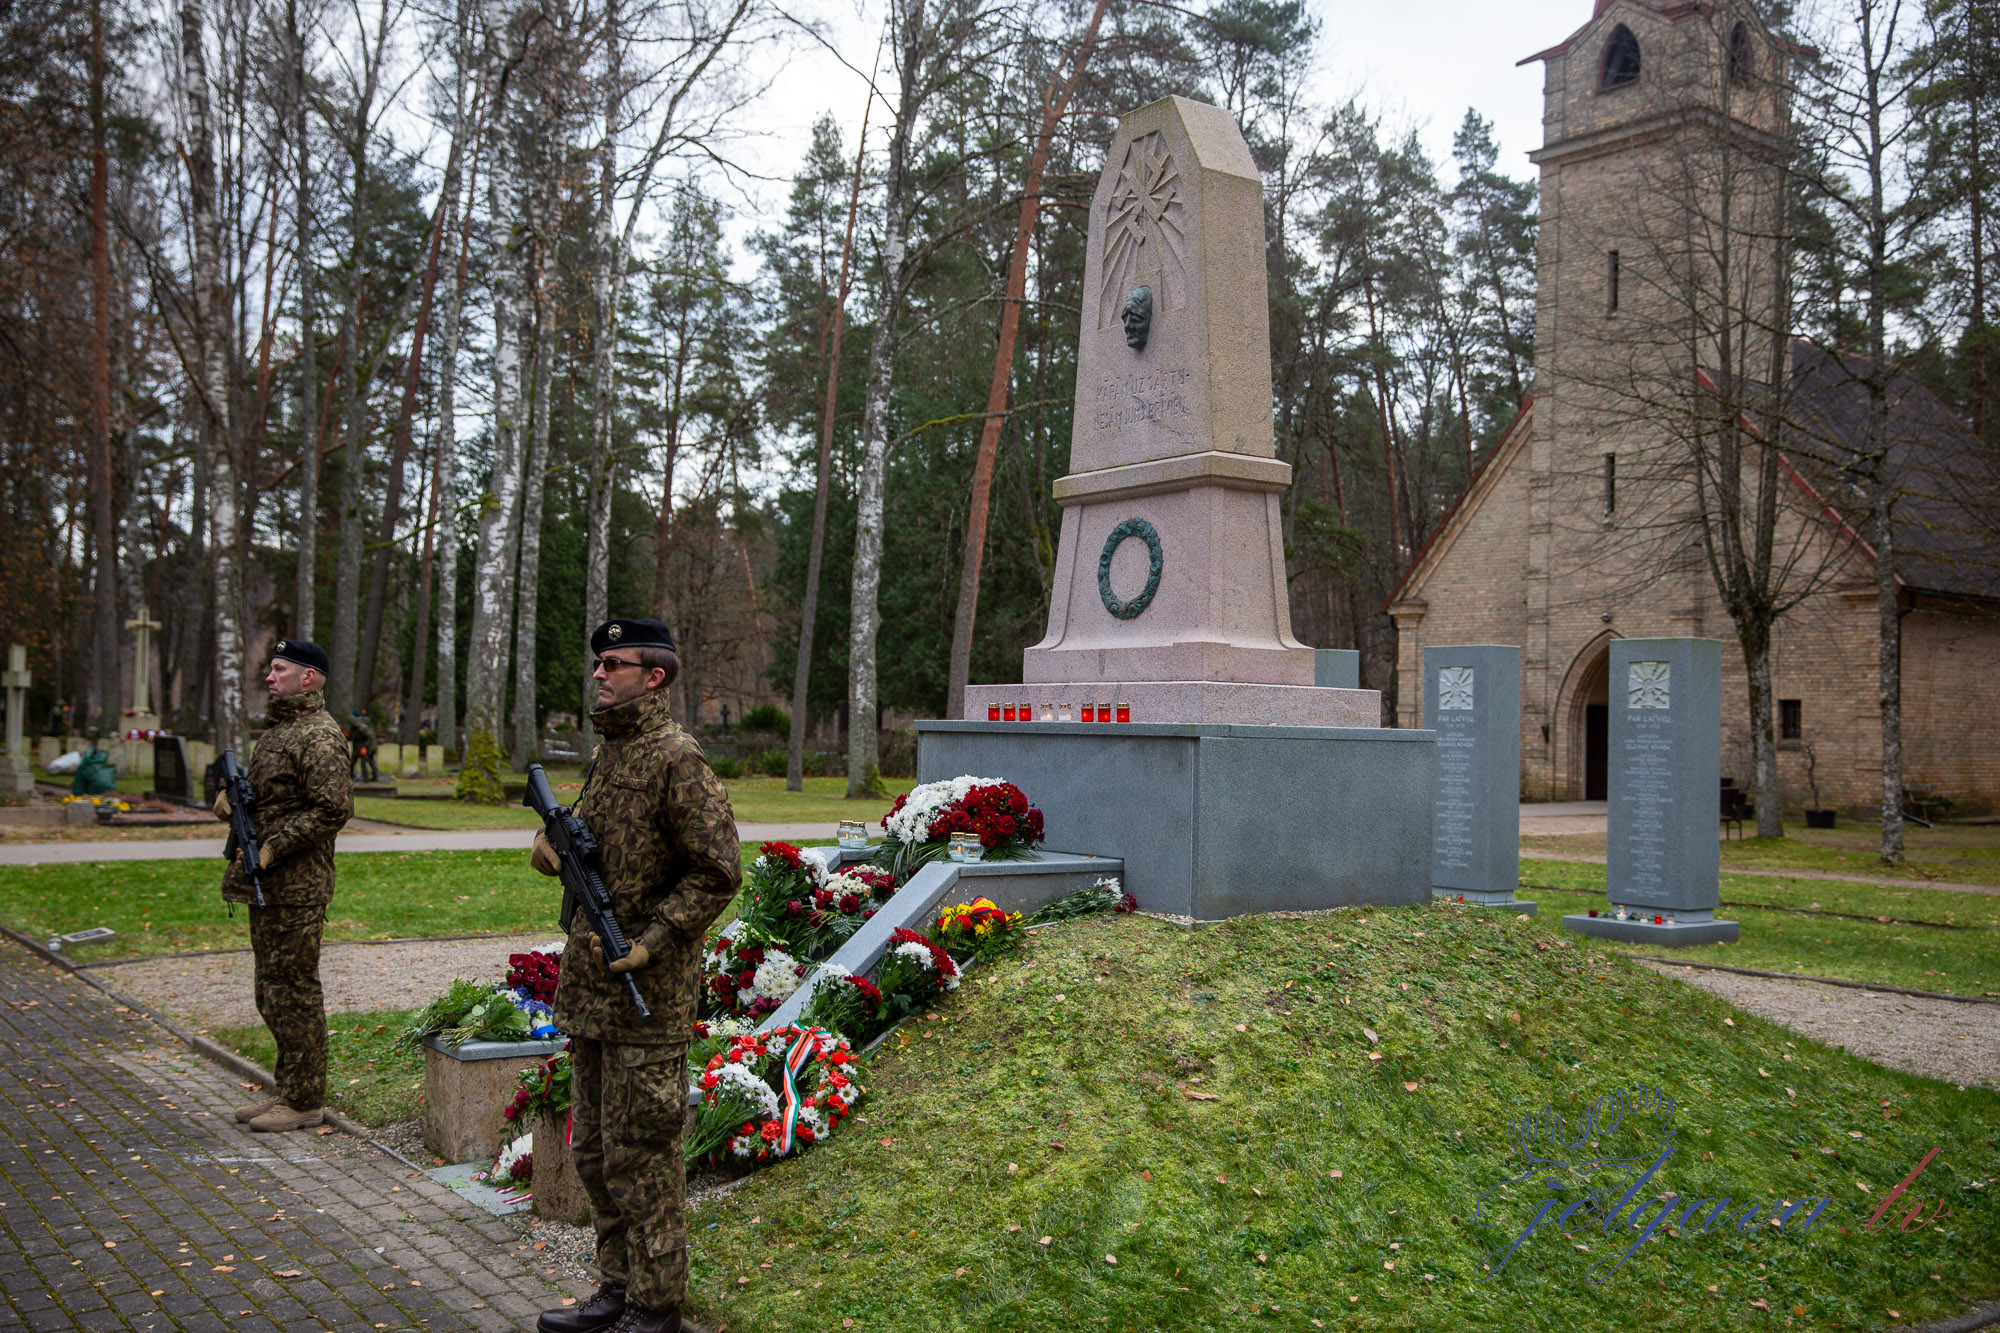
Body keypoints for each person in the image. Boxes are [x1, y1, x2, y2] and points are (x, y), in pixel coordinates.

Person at [531, 618, 740, 1333]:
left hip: (647, 994)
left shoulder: (676, 757)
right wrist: (549, 845)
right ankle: (615, 1289)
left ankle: (657, 1308)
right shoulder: (609, 753)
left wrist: (653, 943)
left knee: (642, 1156)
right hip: (592, 990)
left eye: (613, 663)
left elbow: (717, 870)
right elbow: (587, 845)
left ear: (655, 676)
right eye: (598, 662)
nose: (599, 673)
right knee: (591, 1150)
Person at [213, 640, 353, 1132]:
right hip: (267, 885)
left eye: (280, 669)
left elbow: (333, 808)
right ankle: (286, 1091)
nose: (269, 677)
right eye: (270, 669)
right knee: (269, 992)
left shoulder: (319, 734)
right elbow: (272, 796)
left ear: (309, 677)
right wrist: (233, 803)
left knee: (295, 992)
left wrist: (274, 847)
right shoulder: (279, 730)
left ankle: (306, 1100)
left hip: (297, 885)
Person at [348, 708, 378, 782]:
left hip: (362, 746)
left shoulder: (362, 726)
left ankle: (367, 778)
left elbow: (368, 737)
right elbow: (352, 736)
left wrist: (366, 747)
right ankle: (350, 777)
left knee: (364, 763)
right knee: (352, 763)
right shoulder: (354, 726)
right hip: (356, 746)